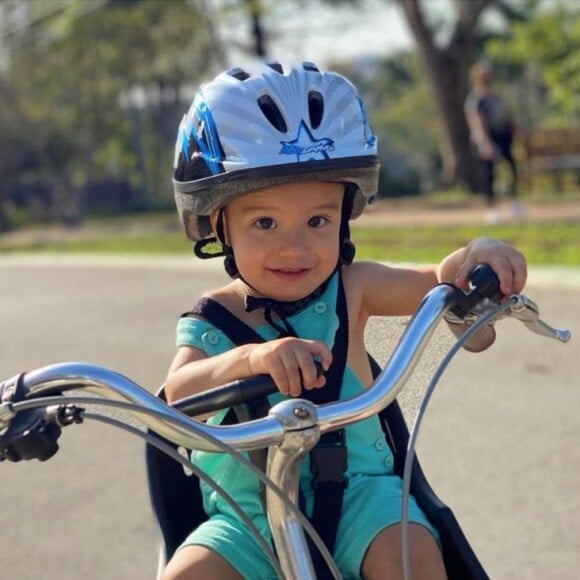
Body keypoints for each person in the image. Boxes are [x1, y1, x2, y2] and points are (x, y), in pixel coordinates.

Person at [162, 61, 527, 580]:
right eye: (264, 222)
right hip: (247, 520)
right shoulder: (211, 317)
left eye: (318, 220)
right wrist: (250, 359)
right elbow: (176, 395)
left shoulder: (352, 287)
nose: (294, 245)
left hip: (361, 499)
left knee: (411, 554)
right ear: (217, 224)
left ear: (345, 217)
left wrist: (475, 257)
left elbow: (436, 280)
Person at [464, 61, 524, 223]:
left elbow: (506, 115)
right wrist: (484, 142)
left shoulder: (496, 96)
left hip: (503, 137)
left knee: (511, 168)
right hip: (487, 139)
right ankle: (492, 208)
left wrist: (516, 128)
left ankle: (513, 202)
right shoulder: (475, 100)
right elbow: (476, 122)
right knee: (489, 174)